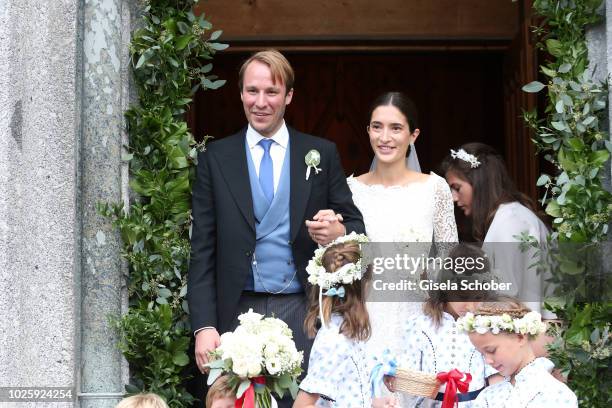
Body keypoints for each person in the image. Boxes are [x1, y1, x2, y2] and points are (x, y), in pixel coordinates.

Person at [188, 49, 365, 407]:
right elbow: (203, 250)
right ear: (240, 94)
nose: (261, 102)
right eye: (252, 91)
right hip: (236, 310)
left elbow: (356, 227)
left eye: (271, 92)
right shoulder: (216, 158)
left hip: (303, 310)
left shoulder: (320, 153)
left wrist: (336, 234)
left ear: (289, 96)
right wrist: (204, 326)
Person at [346, 91, 458, 362]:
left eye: (396, 128)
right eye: (377, 127)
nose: (385, 138)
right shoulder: (351, 190)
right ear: (368, 131)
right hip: (362, 318)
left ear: (413, 135)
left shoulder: (435, 189)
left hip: (418, 317)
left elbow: (451, 260)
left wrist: (425, 274)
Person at [441, 143, 549, 314]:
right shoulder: (509, 216)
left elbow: (506, 294)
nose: (453, 198)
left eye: (457, 187)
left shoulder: (510, 223)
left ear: (479, 183)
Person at [390, 244, 501, 407]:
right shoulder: (420, 325)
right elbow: (409, 377)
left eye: (477, 297)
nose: (470, 306)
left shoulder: (485, 326)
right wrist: (394, 377)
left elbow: (495, 377)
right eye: (463, 297)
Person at [294, 233, 397, 408]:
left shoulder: (347, 332)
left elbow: (346, 394)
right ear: (362, 288)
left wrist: (374, 403)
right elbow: (302, 405)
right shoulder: (334, 341)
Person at [458, 298, 578, 407]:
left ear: (520, 337)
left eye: (491, 351)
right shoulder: (487, 397)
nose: (488, 361)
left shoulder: (558, 395)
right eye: (482, 354)